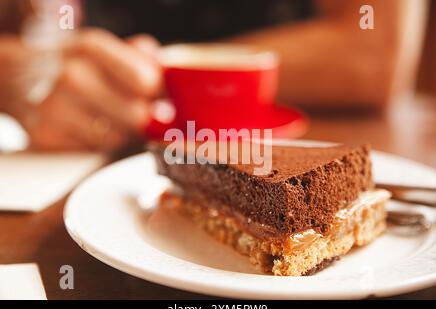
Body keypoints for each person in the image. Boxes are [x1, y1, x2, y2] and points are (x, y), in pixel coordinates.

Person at [0, 0, 428, 151]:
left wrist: (173, 68)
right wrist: (17, 75)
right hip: (103, 145)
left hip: (316, 139)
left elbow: (374, 52)